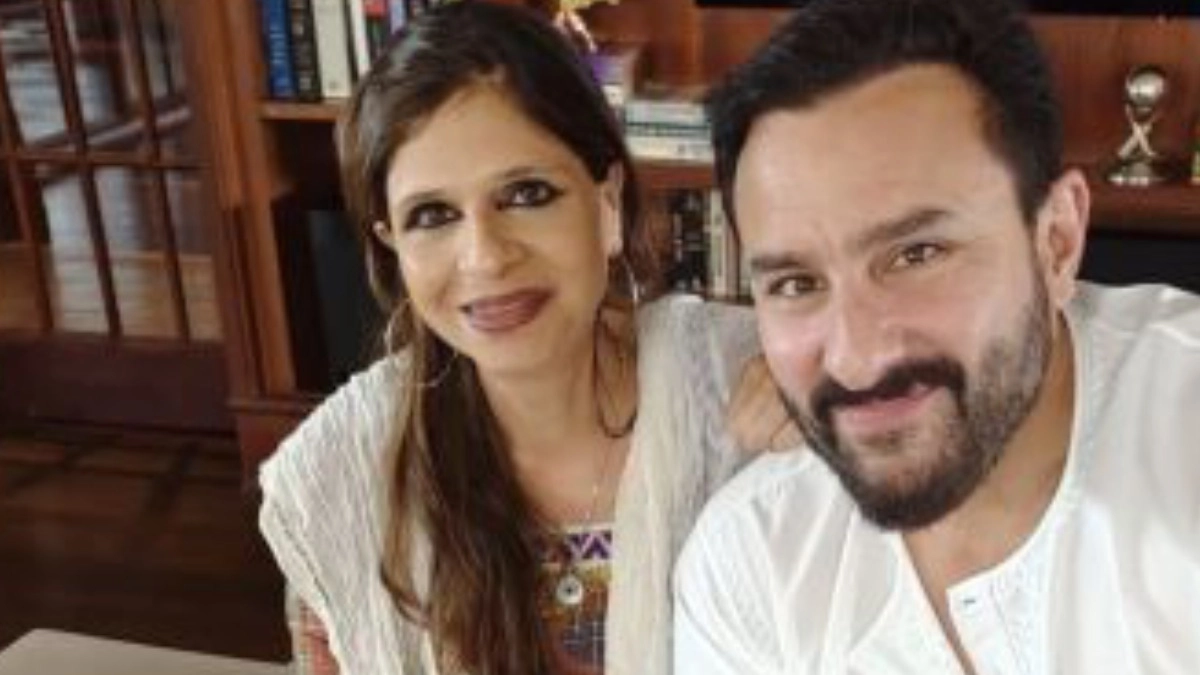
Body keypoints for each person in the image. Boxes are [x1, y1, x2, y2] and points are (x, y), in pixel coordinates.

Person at [674, 0, 1200, 672]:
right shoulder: (752, 565)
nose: (857, 359)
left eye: (916, 254)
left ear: (1057, 242)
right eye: (797, 284)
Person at [256, 3, 782, 674]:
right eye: (432, 215)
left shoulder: (750, 385)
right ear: (392, 250)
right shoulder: (339, 476)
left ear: (606, 201)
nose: (485, 257)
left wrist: (835, 438)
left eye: (528, 194)